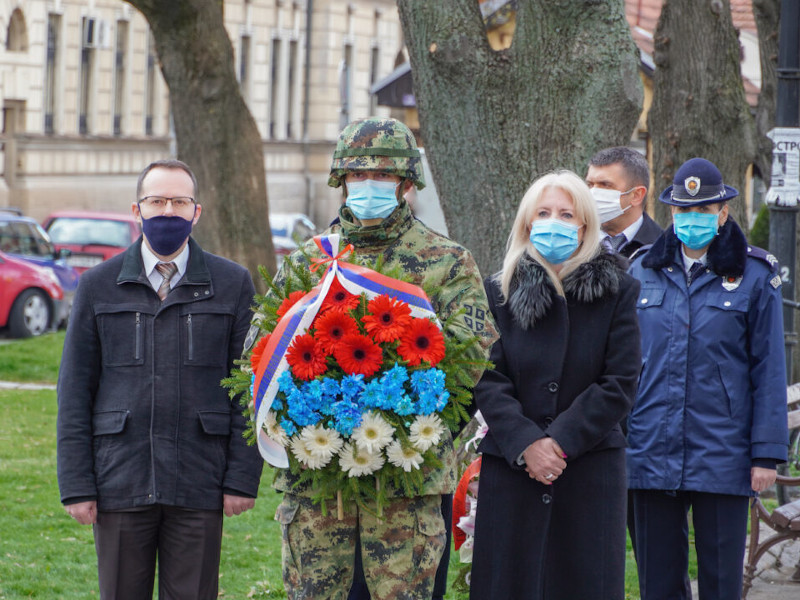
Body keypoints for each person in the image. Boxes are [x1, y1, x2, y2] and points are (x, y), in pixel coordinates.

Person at [270, 117, 497, 600]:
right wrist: (317, 419)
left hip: (407, 484)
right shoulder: (306, 261)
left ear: (406, 182)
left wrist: (400, 425)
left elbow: (469, 360)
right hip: (318, 484)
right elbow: (262, 348)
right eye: (357, 175)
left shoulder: (447, 262)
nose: (368, 185)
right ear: (341, 180)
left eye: (383, 176)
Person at [56, 159, 263, 600]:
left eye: (178, 201)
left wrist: (242, 479)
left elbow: (249, 388)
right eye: (156, 201)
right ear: (137, 210)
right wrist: (76, 485)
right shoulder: (97, 285)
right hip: (120, 480)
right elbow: (74, 390)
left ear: (196, 211)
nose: (167, 211)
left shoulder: (232, 283)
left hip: (200, 481)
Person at [469, 170, 641, 599]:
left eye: (566, 214)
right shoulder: (497, 292)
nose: (554, 222)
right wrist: (528, 443)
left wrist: (558, 442)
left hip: (588, 472)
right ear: (527, 223)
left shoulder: (618, 290)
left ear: (584, 225)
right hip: (512, 471)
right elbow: (487, 377)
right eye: (543, 212)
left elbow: (619, 381)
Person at [627, 157, 789, 600]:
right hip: (650, 448)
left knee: (720, 583)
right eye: (683, 211)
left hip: (724, 451)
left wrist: (766, 454)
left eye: (702, 211)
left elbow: (769, 368)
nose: (691, 219)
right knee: (657, 584)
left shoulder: (755, 275)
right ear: (671, 213)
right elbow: (622, 362)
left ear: (722, 213)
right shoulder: (641, 270)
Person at [586, 146, 662, 258]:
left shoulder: (663, 248)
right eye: (590, 185)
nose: (593, 193)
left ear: (636, 195)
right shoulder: (573, 242)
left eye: (605, 185)